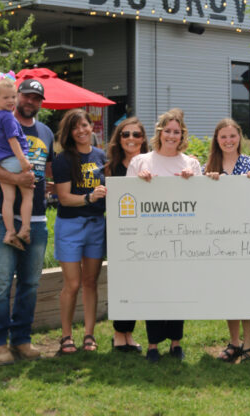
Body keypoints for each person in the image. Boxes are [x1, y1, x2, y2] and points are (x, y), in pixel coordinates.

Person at [0, 78, 52, 365]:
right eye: (26, 96)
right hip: (0, 214)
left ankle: (21, 339)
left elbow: (44, 171)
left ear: (41, 103)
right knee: (0, 283)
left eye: (36, 98)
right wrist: (17, 178)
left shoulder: (45, 132)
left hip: (36, 218)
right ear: (16, 96)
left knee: (30, 283)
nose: (30, 101)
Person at [128, 109, 202, 363]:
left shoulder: (191, 164)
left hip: (182, 239)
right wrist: (139, 182)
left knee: (177, 290)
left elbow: (201, 202)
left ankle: (176, 343)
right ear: (159, 132)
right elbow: (127, 197)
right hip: (150, 240)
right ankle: (152, 345)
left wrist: (192, 182)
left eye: (176, 131)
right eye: (167, 130)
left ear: (182, 134)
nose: (172, 135)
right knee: (154, 290)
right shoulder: (140, 162)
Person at [204, 118, 250, 363]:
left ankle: (249, 343)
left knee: (246, 290)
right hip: (219, 237)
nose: (228, 141)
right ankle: (234, 342)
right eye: (223, 137)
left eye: (232, 136)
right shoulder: (207, 166)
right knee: (228, 290)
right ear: (217, 141)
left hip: (248, 235)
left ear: (239, 137)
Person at [53, 109, 107, 355]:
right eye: (76, 127)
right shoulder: (63, 159)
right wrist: (89, 197)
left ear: (91, 127)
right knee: (73, 284)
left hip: (96, 224)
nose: (82, 130)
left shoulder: (101, 155)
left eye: (85, 125)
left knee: (90, 282)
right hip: (71, 225)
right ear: (69, 133)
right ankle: (66, 336)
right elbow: (64, 198)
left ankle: (89, 335)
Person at [105, 117, 149, 354]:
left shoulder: (151, 163)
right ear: (118, 138)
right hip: (120, 233)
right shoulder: (111, 166)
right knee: (122, 283)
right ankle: (118, 334)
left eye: (136, 134)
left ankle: (128, 334)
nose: (131, 139)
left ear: (143, 139)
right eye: (125, 134)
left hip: (147, 232)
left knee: (136, 284)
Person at [0, 72, 34, 251]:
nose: (11, 101)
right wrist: (24, 162)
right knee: (28, 195)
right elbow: (13, 141)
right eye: (6, 98)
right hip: (14, 160)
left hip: (1, 162)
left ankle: (10, 231)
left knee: (8, 199)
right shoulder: (9, 118)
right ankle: (25, 229)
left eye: (13, 97)